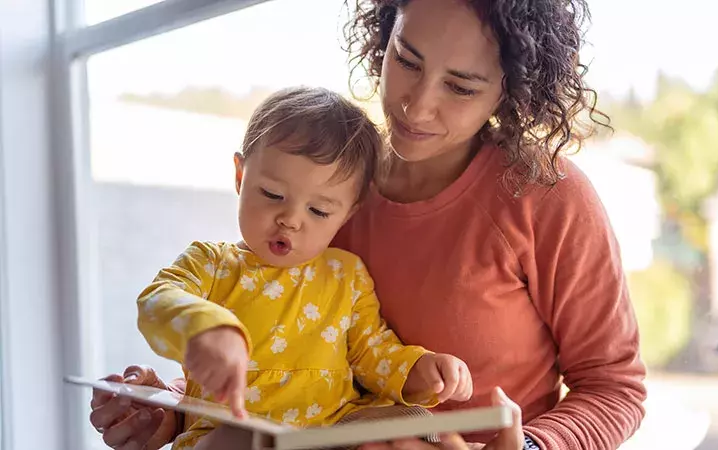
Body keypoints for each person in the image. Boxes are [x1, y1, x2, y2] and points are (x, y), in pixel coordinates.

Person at [89, 0, 647, 449]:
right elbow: (279, 350)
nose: (416, 105)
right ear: (385, 34)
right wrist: (171, 411)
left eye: (460, 86)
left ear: (510, 89)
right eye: (406, 60)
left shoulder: (546, 196)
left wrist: (527, 447)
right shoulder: (326, 188)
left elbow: (615, 387)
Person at [131, 86, 473, 449]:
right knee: (239, 439)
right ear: (240, 176)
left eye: (319, 211)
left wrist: (419, 372)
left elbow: (372, 351)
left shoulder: (346, 274)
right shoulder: (211, 264)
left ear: (347, 214)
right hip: (233, 427)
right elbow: (156, 300)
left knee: (417, 424)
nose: (290, 220)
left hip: (334, 431)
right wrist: (204, 328)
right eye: (272, 195)